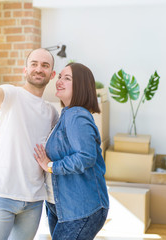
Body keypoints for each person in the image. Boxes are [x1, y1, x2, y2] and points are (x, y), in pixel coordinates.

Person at [0, 48, 59, 240]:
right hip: (0, 196)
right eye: (33, 64)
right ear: (25, 70)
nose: (38, 69)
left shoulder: (51, 112)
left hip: (33, 202)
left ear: (52, 74)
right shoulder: (11, 94)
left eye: (45, 65)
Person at [34, 62, 109, 240]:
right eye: (60, 76)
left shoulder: (77, 115)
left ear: (81, 85)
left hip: (79, 208)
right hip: (61, 205)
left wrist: (51, 166)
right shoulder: (67, 114)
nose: (60, 81)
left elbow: (86, 157)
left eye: (67, 78)